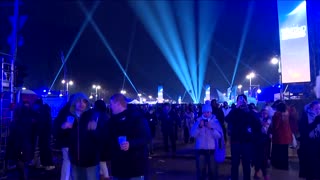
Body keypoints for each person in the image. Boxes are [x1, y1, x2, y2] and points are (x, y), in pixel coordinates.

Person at [104, 93, 151, 180]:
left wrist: (131, 144)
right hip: (118, 165)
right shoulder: (112, 121)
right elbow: (108, 139)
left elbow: (146, 137)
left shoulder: (137, 118)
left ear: (118, 103)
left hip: (135, 166)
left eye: (111, 104)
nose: (110, 107)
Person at [226, 94, 261, 180]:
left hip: (247, 141)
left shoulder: (250, 112)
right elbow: (227, 119)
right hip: (235, 141)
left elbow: (257, 123)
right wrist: (236, 108)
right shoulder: (234, 111)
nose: (241, 102)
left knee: (246, 163)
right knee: (234, 163)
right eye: (239, 100)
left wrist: (248, 110)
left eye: (243, 100)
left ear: (246, 101)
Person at [191, 102, 223, 180]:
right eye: (204, 112)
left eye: (208, 112)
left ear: (211, 112)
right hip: (201, 150)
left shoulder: (215, 122)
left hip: (212, 150)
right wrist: (199, 127)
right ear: (202, 112)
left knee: (213, 172)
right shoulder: (198, 121)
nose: (206, 114)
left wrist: (211, 128)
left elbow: (219, 135)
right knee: (201, 172)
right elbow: (192, 134)